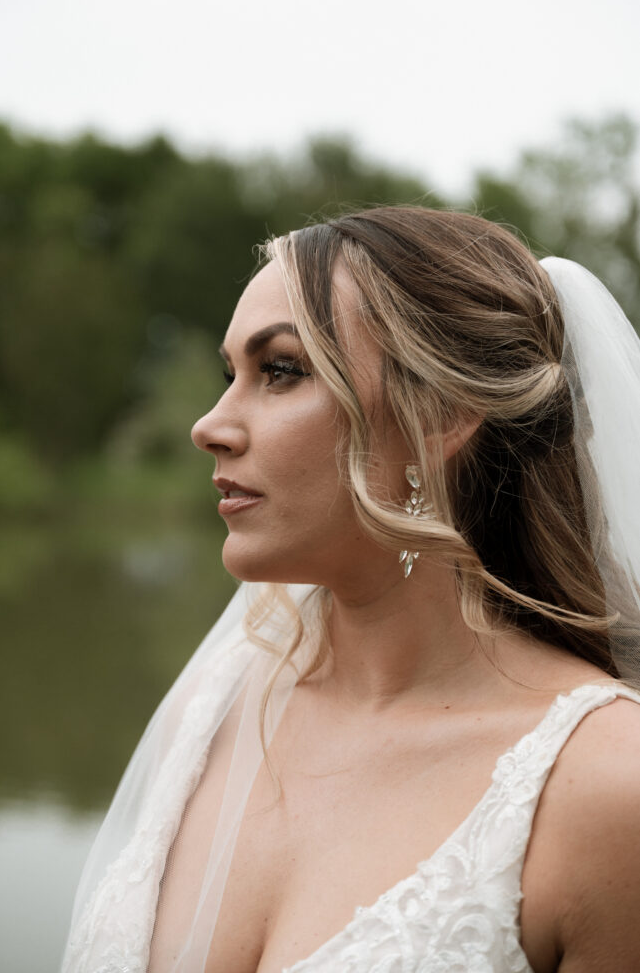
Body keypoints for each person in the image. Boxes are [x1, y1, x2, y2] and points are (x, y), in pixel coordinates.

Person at [62, 206, 640, 973]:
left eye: (281, 371)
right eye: (228, 373)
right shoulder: (214, 709)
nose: (209, 425)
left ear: (443, 412)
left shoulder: (604, 792)